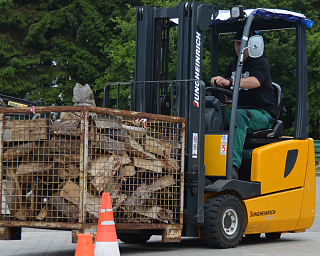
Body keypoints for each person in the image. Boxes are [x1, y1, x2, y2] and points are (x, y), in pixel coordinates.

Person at [211, 28, 278, 179]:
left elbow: (256, 82)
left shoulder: (259, 63)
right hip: (239, 110)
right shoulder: (234, 65)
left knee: (239, 115)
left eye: (242, 44)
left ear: (252, 45)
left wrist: (230, 81)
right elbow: (228, 96)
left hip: (263, 114)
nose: (238, 47)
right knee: (211, 114)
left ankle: (232, 167)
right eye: (236, 43)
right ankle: (206, 162)